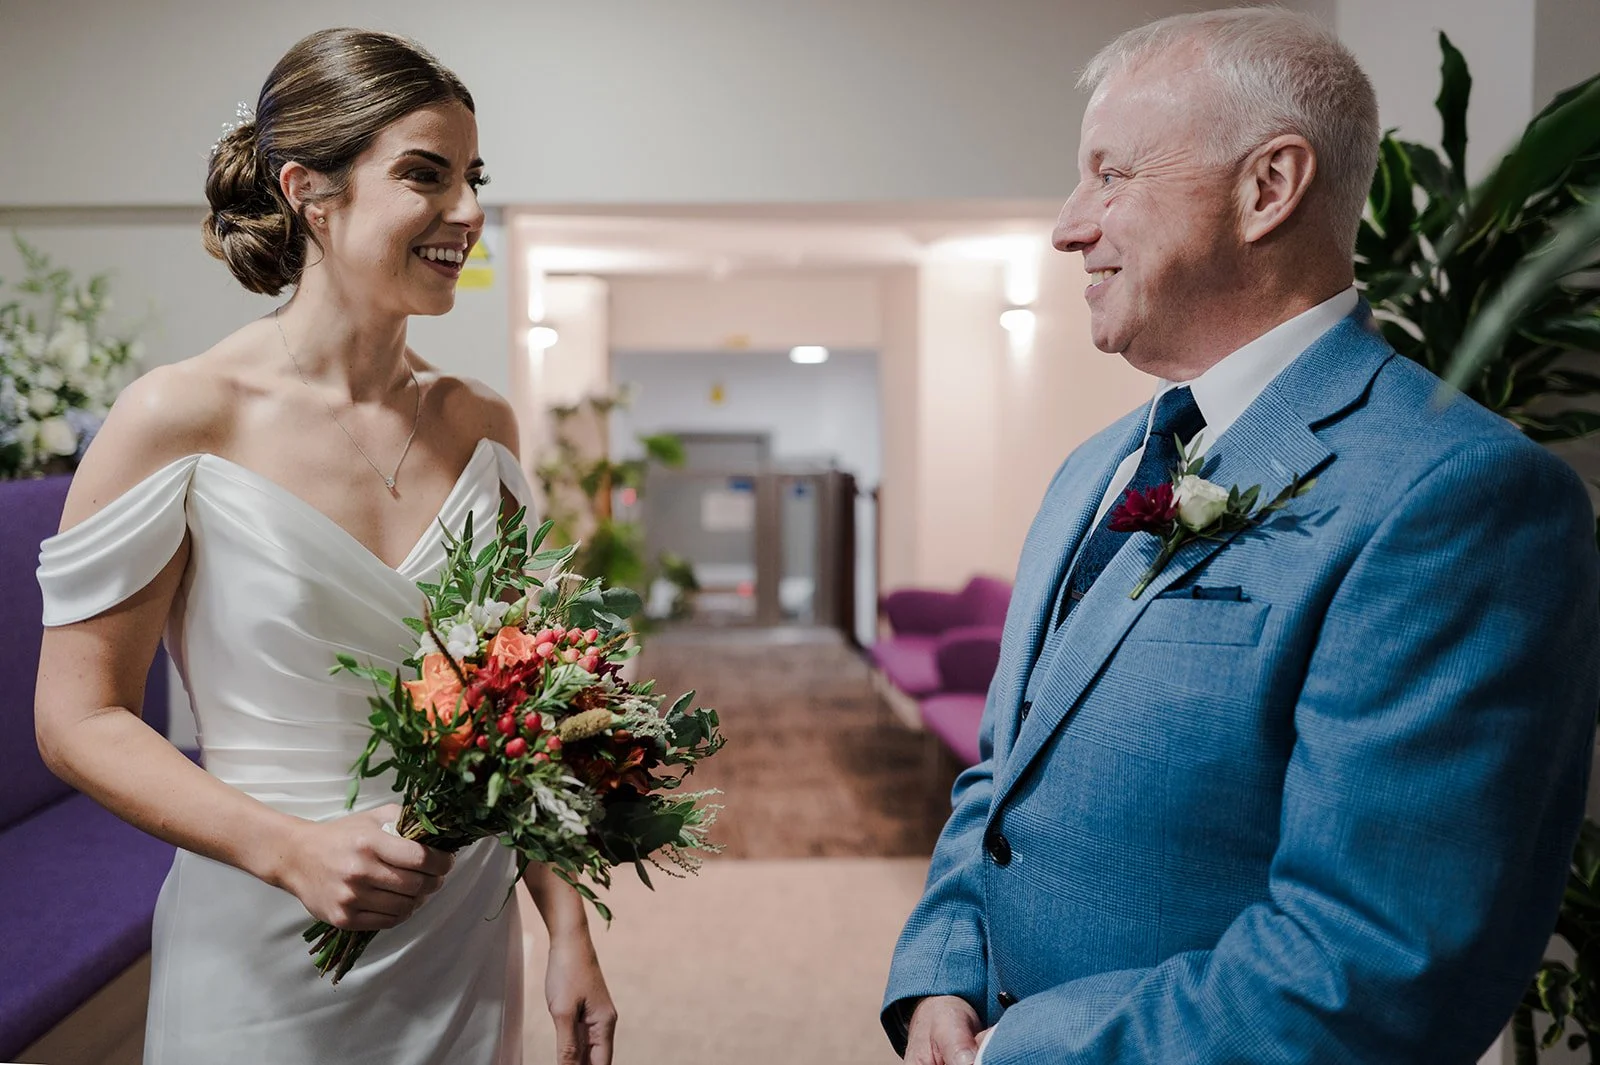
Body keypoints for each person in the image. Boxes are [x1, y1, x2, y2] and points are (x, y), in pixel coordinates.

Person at [883, 8, 1600, 1064]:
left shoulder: (1458, 497)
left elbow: (1372, 961)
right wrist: (942, 968)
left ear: (1268, 187)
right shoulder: (1095, 468)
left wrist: (1020, 1051)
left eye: (1110, 175)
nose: (1068, 225)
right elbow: (1003, 773)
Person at [33, 28, 615, 1065]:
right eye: (424, 176)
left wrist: (566, 928)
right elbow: (78, 716)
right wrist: (290, 850)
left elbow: (518, 713)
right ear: (311, 190)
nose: (470, 212)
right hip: (264, 927)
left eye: (473, 178)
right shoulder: (181, 414)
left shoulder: (482, 425)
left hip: (459, 934)